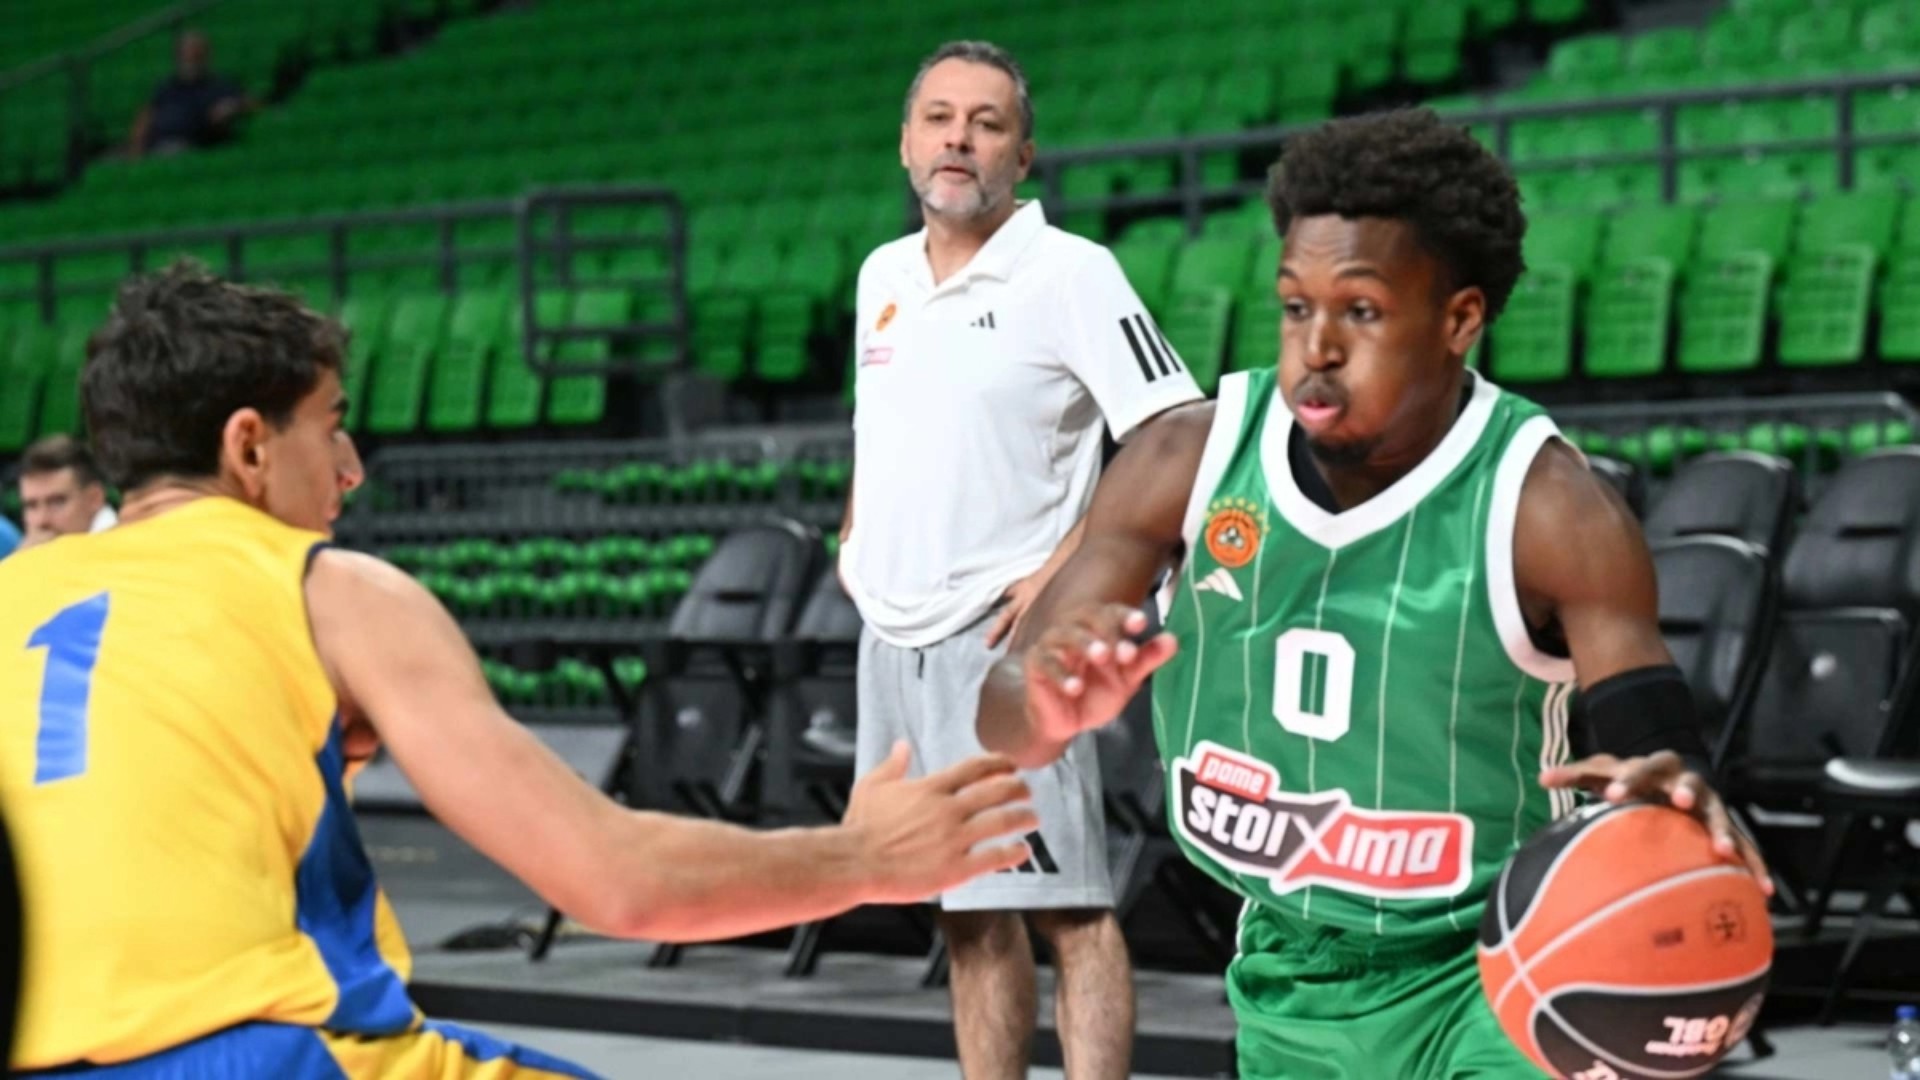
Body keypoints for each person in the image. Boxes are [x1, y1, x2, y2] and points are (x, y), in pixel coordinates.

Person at [0, 263, 1039, 1077]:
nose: (351, 467)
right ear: (249, 449)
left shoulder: (18, 590)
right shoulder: (326, 587)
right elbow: (621, 882)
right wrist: (867, 857)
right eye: (331, 423)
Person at [977, 108, 1773, 1080]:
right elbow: (1003, 721)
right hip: (1287, 960)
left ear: (1459, 320)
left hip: (1497, 963)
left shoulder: (1548, 506)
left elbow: (1652, 737)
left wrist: (1675, 792)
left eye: (1360, 311)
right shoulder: (1186, 457)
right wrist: (1048, 699)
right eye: (1295, 306)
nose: (1316, 345)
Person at [840, 39, 1205, 1080]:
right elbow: (883, 428)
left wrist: (1069, 570)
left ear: (1024, 155)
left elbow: (1177, 433)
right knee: (964, 911)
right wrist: (856, 535)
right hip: (891, 638)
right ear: (906, 144)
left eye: (986, 123)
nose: (959, 139)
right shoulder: (881, 275)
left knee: (1068, 908)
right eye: (940, 118)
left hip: (1003, 648)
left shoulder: (1070, 273)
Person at [128, 31, 254, 159]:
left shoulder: (220, 85)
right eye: (185, 54)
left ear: (206, 55)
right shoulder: (166, 87)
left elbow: (250, 103)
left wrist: (233, 107)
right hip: (155, 144)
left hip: (187, 144)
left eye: (195, 54)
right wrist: (136, 145)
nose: (190, 59)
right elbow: (146, 115)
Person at [17, 434, 116, 549]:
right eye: (31, 505)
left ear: (95, 498)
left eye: (57, 502)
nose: (42, 520)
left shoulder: (119, 551)